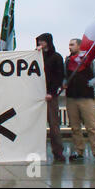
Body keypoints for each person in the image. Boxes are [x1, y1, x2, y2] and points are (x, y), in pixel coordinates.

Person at [64, 38, 95, 166]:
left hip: (86, 98)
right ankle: (79, 151)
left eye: (72, 44)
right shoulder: (67, 61)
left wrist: (88, 84)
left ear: (79, 46)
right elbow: (64, 76)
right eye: (69, 44)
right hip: (71, 98)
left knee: (91, 127)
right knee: (75, 127)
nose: (69, 47)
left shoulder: (89, 60)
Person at [36, 33, 66, 162]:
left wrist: (52, 92)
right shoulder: (37, 56)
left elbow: (58, 76)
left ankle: (58, 152)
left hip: (49, 96)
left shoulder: (56, 57)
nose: (40, 44)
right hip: (37, 94)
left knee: (54, 125)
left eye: (42, 41)